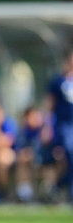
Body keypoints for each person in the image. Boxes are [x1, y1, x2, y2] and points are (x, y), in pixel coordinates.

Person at [47, 50, 73, 201]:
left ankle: (61, 185)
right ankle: (68, 189)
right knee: (69, 154)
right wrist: (47, 125)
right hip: (65, 126)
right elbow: (50, 104)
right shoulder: (58, 81)